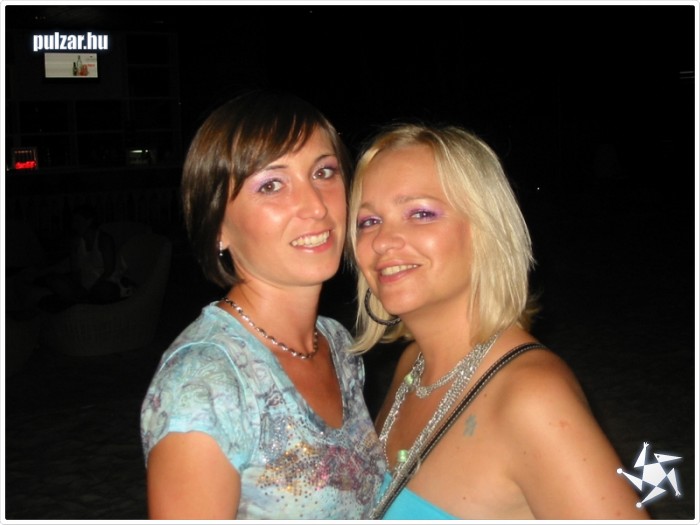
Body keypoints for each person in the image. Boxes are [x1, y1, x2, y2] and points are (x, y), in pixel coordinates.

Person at [347, 123, 649, 520]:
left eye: (420, 213)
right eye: (368, 221)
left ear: (485, 230)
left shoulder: (532, 397)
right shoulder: (413, 366)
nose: (382, 241)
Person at [140, 90, 386, 520]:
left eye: (324, 172)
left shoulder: (336, 344)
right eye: (272, 185)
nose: (315, 205)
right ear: (217, 226)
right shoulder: (205, 385)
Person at [36, 205, 130, 311]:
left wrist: (93, 287)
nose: (73, 224)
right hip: (85, 286)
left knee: (105, 290)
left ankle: (79, 301)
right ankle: (81, 301)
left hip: (106, 283)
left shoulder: (104, 239)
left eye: (77, 220)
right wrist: (77, 287)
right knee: (54, 280)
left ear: (89, 221)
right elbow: (75, 270)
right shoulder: (76, 242)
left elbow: (109, 271)